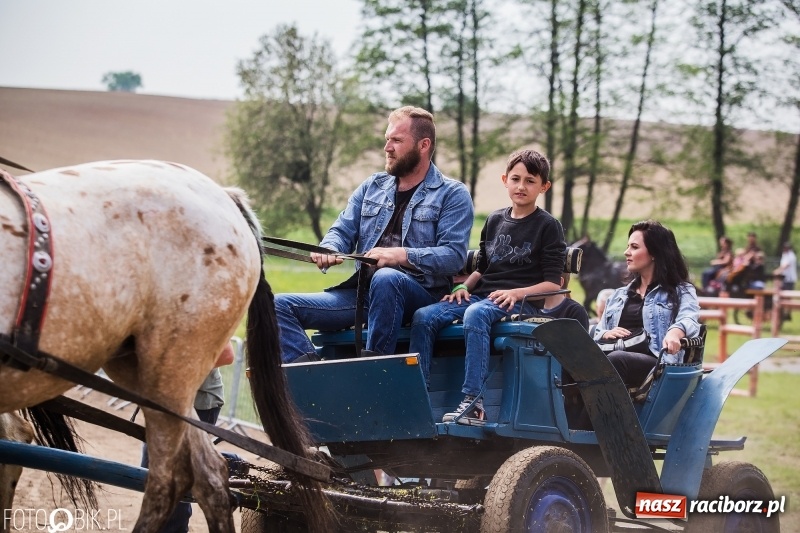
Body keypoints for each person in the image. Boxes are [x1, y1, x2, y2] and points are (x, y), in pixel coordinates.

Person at [275, 106, 474, 363]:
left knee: (387, 278)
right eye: (387, 139)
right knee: (278, 305)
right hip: (363, 295)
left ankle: (374, 371)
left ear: (424, 145)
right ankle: (315, 378)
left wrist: (400, 255)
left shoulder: (452, 194)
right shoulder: (372, 187)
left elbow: (454, 256)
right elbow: (341, 230)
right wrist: (329, 248)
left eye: (397, 141)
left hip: (420, 297)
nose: (387, 148)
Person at [409, 149, 566, 425]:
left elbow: (553, 284)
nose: (521, 186)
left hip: (521, 302)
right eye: (515, 179)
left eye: (530, 181)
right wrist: (464, 288)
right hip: (483, 297)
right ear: (505, 180)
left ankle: (474, 403)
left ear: (544, 186)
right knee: (425, 316)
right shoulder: (494, 220)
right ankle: (417, 397)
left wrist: (516, 293)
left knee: (476, 315)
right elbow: (482, 267)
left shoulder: (548, 226)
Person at [591, 220, 700, 388]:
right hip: (613, 360)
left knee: (617, 360)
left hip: (657, 364)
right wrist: (606, 334)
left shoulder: (681, 291)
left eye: (634, 247)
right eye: (628, 246)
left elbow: (689, 319)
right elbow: (599, 331)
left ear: (654, 252)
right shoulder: (618, 296)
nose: (626, 252)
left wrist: (675, 333)